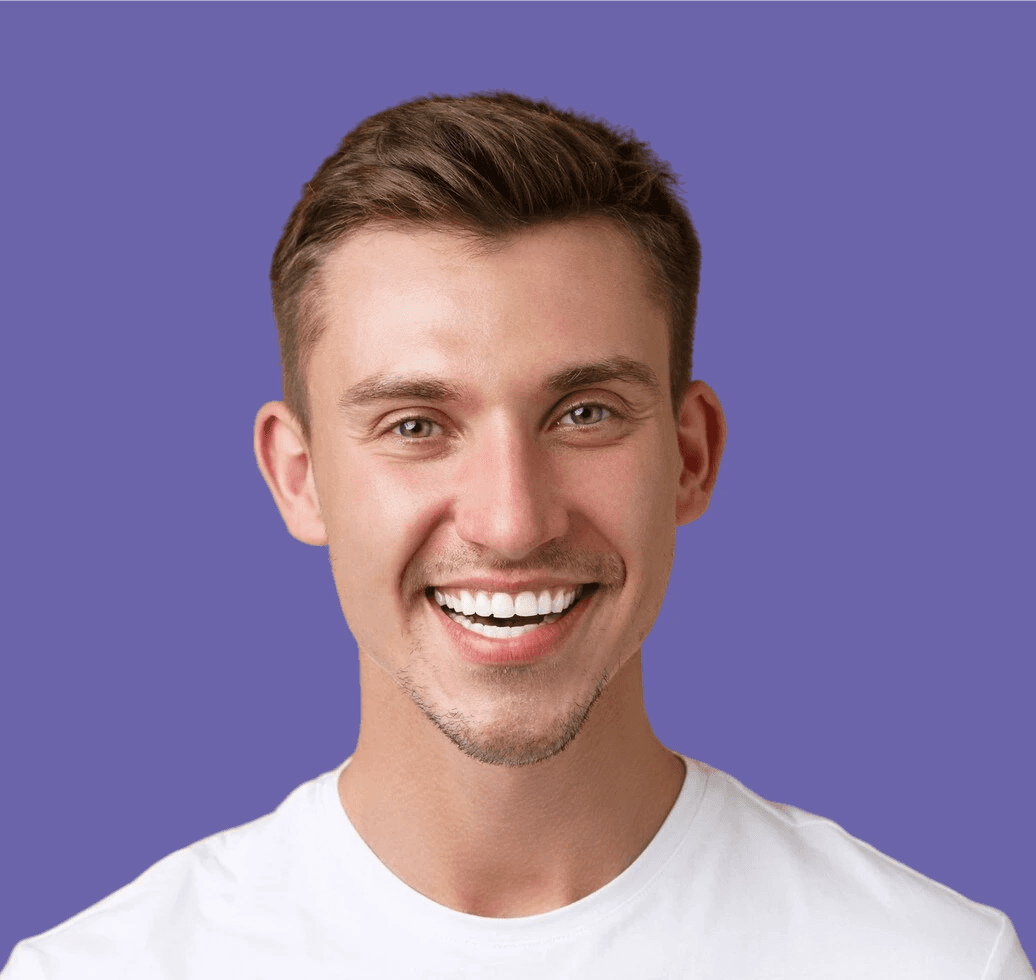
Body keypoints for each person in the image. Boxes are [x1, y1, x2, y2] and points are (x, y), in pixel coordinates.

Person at [3, 90, 1031, 979]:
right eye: (415, 425)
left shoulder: (925, 961)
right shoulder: (105, 969)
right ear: (299, 476)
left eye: (582, 412)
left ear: (691, 455)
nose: (511, 519)